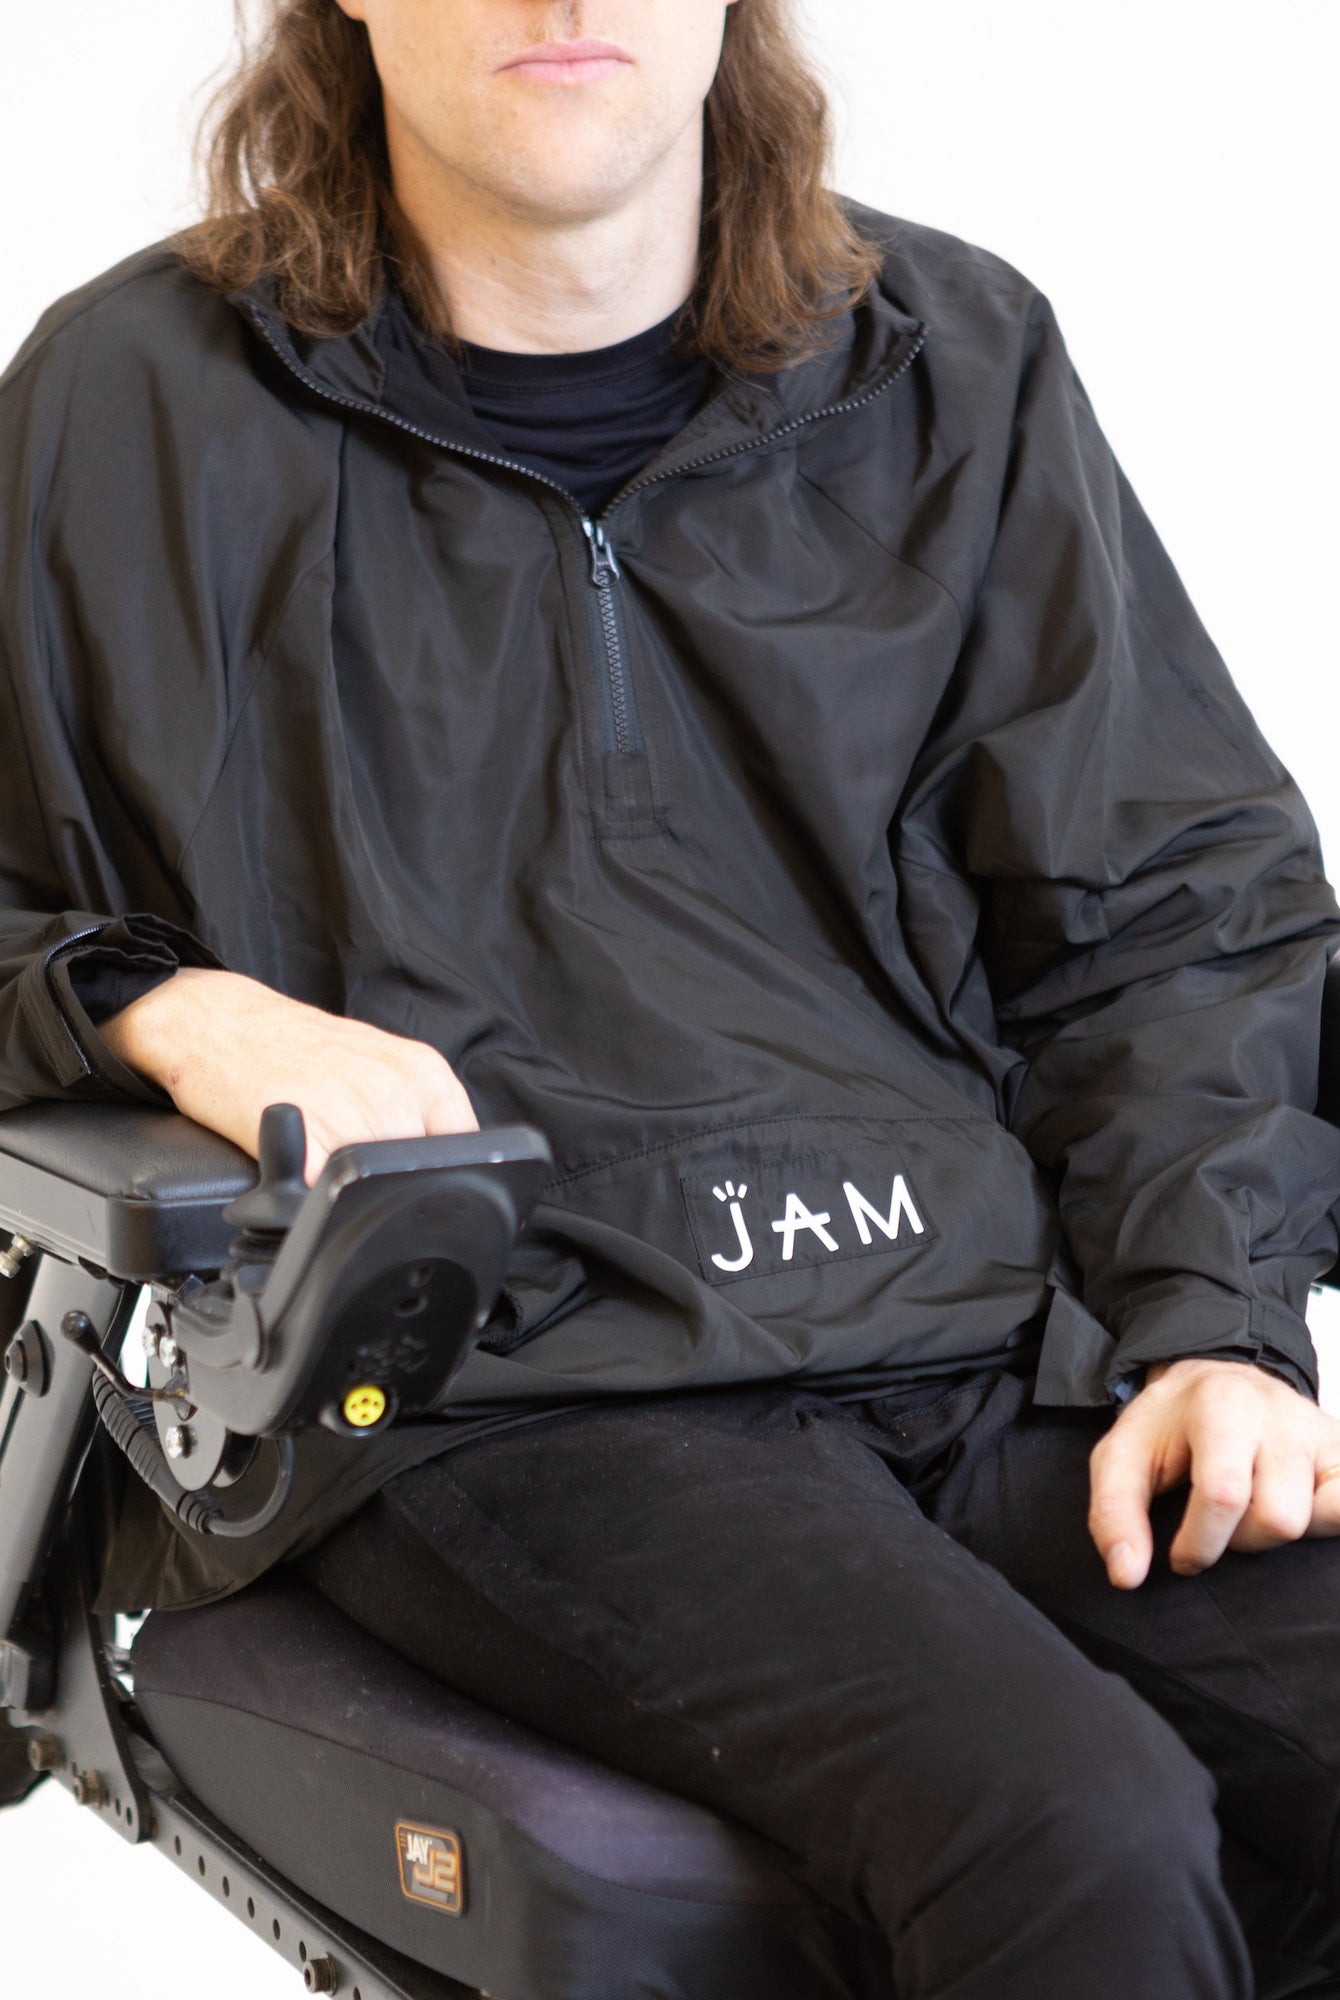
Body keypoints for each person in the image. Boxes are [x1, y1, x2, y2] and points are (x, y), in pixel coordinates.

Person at [3, 1, 1340, 1992]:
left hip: (983, 1332)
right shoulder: (133, 401)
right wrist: (166, 1009)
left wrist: (1217, 1324)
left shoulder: (952, 362)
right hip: (505, 1375)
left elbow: (1172, 903)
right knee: (1079, 1827)